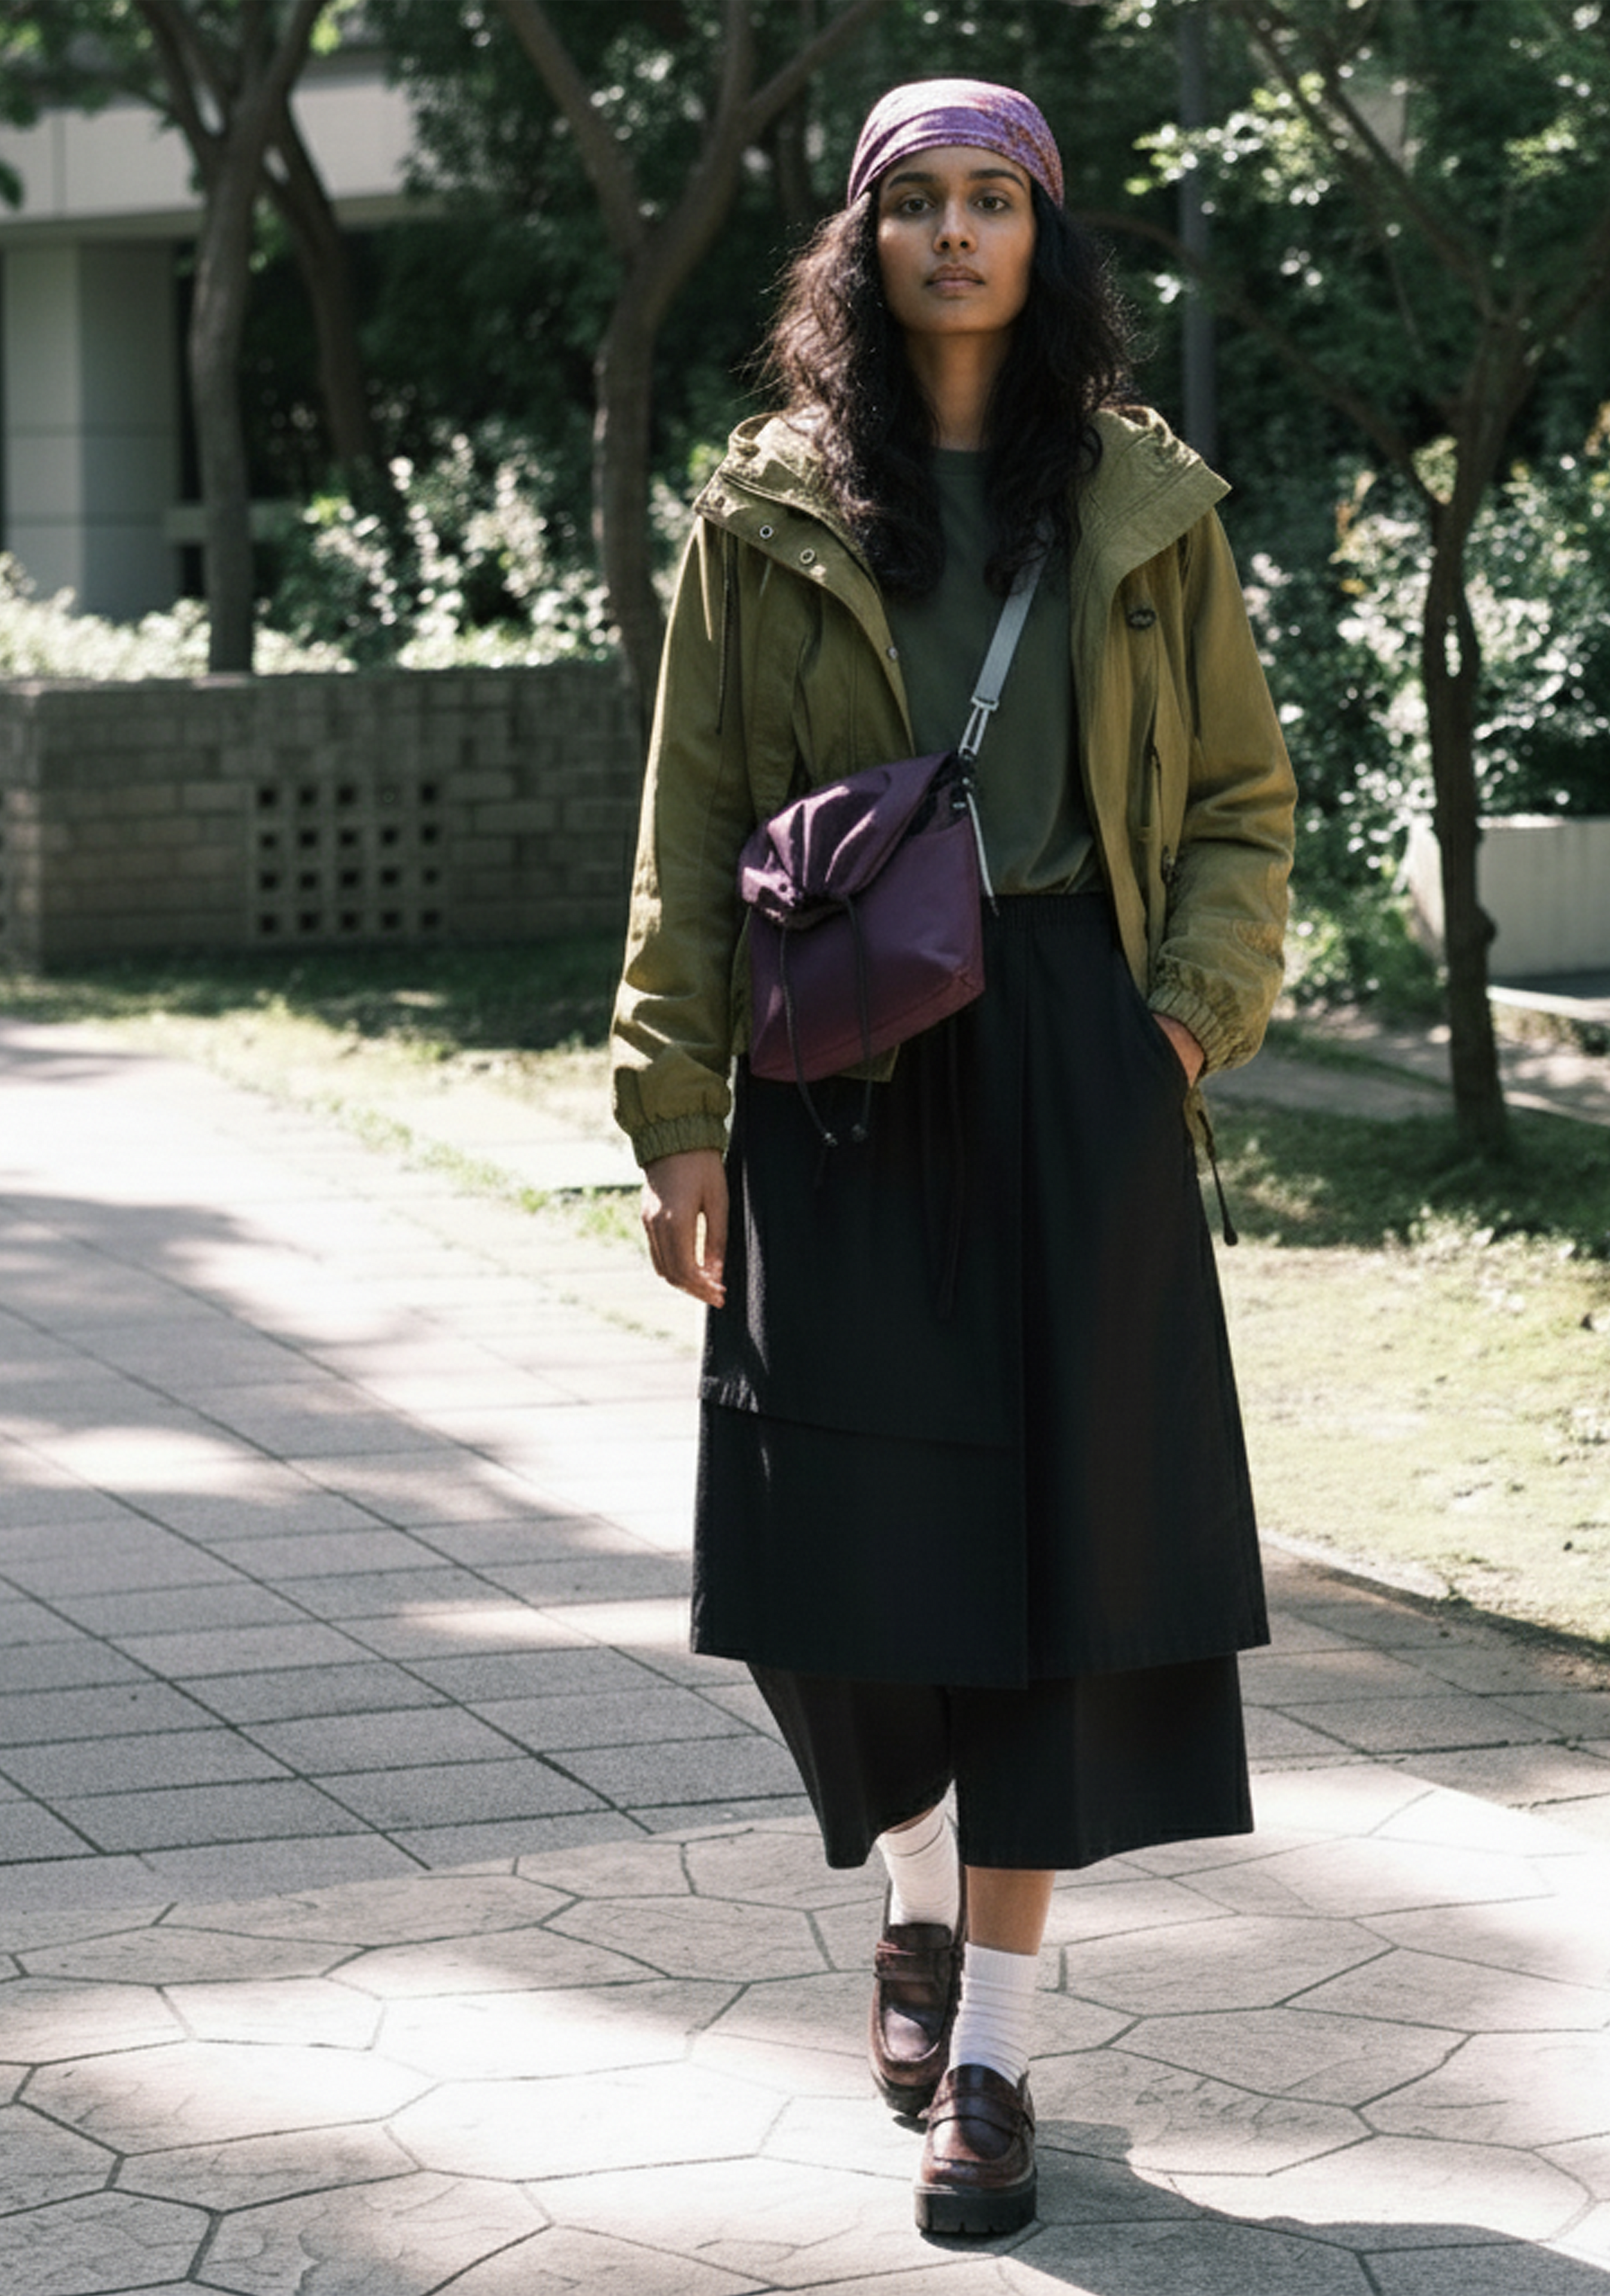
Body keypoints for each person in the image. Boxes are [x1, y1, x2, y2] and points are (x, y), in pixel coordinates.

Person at [609, 77, 1295, 2239]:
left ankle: (987, 2058)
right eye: (918, 202)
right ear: (863, 241)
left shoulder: (1146, 508)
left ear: (1046, 238)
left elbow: (1249, 806)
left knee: (1056, 1580)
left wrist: (1176, 1023)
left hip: (1080, 1055)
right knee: (828, 1565)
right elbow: (693, 829)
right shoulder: (770, 507)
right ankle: (907, 1878)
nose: (959, 235)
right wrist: (678, 1111)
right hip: (842, 1081)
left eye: (996, 200)